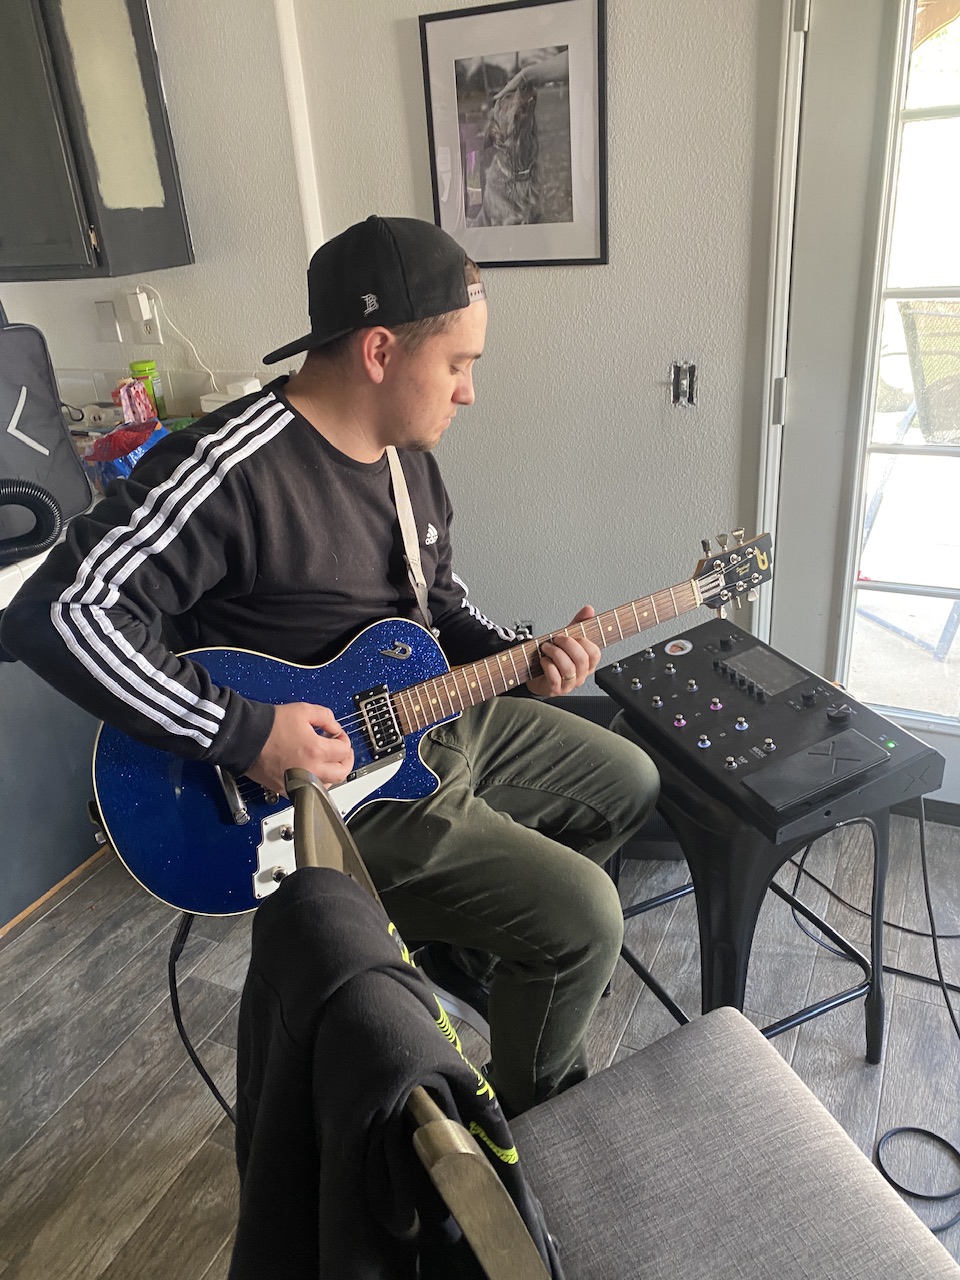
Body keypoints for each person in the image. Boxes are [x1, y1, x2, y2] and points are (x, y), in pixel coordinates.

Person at [0, 215, 659, 1117]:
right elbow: (59, 612)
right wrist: (243, 732)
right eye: (460, 364)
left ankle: (461, 949)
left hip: (427, 721)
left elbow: (441, 610)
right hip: (321, 794)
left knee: (628, 782)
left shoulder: (408, 462)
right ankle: (532, 1129)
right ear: (380, 351)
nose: (469, 393)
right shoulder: (229, 469)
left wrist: (524, 659)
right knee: (583, 919)